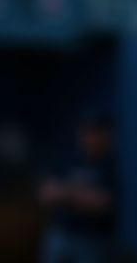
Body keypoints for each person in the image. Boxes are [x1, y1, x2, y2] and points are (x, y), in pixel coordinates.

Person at [38, 111, 118, 263]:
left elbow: (102, 203)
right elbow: (45, 194)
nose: (89, 137)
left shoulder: (109, 164)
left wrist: (64, 192)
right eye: (86, 130)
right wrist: (79, 194)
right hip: (60, 234)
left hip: (92, 240)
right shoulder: (67, 158)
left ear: (105, 135)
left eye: (95, 132)